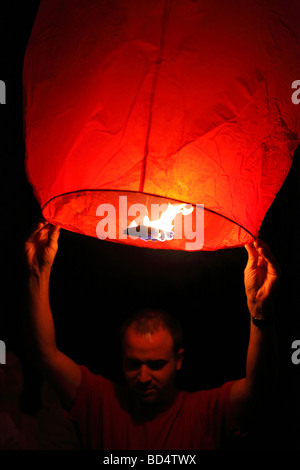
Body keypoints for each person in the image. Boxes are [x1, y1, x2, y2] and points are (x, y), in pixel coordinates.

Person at [24, 220, 280, 450]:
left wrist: (260, 314)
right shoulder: (100, 402)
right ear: (121, 357)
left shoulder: (205, 411)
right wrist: (38, 273)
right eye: (133, 364)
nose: (143, 377)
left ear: (178, 360)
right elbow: (45, 355)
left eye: (156, 365)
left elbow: (256, 391)